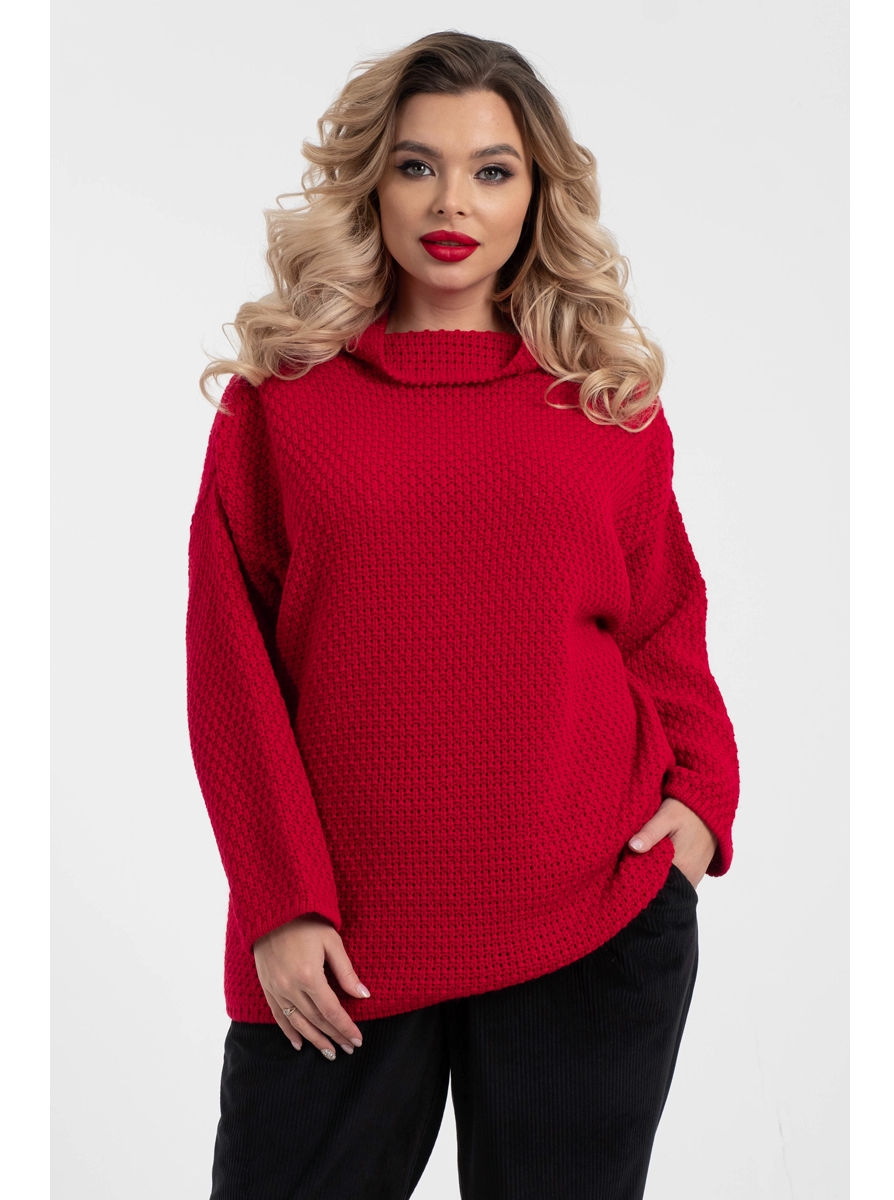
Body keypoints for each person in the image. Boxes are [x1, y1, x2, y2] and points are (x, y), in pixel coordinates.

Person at [186, 30, 740, 1200]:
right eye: (416, 166)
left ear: (537, 194)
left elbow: (663, 625)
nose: (453, 203)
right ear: (372, 183)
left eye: (492, 170)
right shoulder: (284, 403)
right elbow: (229, 662)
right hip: (337, 945)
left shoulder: (604, 404)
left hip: (592, 914)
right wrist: (280, 903)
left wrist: (699, 807)